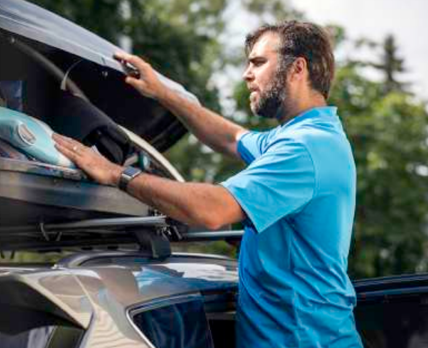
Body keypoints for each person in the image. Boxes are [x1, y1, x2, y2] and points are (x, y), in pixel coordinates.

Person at [53, 20, 363, 347]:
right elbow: (231, 138)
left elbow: (212, 209)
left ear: (297, 68)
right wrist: (161, 92)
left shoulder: (305, 148)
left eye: (258, 62)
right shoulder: (303, 135)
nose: (247, 74)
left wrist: (117, 174)